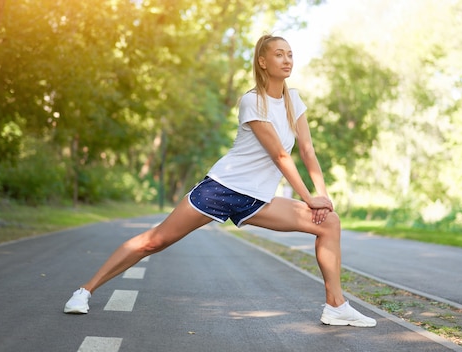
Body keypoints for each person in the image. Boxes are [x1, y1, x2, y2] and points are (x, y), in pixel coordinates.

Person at [64, 34, 376, 328]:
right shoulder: (252, 101)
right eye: (279, 54)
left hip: (258, 199)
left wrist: (322, 198)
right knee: (155, 240)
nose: (287, 60)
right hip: (222, 188)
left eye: (290, 54)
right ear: (262, 62)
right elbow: (280, 156)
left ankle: (335, 306)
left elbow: (307, 150)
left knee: (329, 222)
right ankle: (85, 291)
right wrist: (309, 198)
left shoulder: (294, 100)